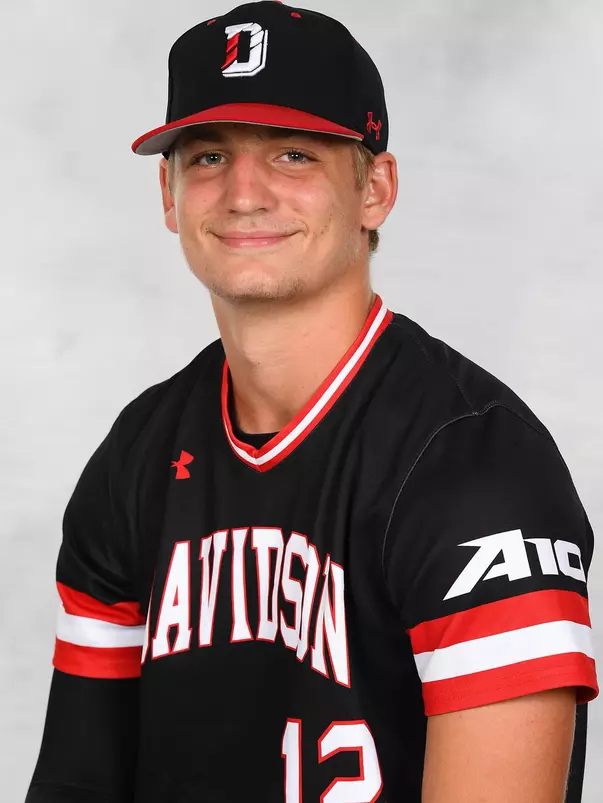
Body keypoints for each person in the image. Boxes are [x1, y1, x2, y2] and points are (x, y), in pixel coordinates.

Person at [26, 2, 598, 801]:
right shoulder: (136, 455)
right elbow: (76, 783)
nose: (244, 193)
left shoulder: (476, 464)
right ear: (168, 193)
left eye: (293, 155)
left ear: (375, 189)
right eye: (208, 157)